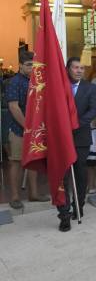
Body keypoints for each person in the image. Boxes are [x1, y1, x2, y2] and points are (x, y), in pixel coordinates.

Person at [57, 57, 96, 232]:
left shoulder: (91, 88)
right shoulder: (58, 87)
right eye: (76, 67)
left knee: (81, 174)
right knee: (63, 177)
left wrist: (76, 123)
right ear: (68, 69)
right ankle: (64, 215)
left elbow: (93, 110)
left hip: (80, 137)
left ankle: (78, 206)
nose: (79, 71)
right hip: (61, 138)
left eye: (82, 68)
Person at [5, 52, 46, 209]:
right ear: (20, 65)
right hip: (18, 129)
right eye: (28, 65)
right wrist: (28, 127)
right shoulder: (14, 82)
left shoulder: (36, 82)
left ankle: (33, 194)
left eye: (33, 65)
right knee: (16, 162)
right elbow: (13, 107)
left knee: (34, 161)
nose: (31, 68)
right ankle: (15, 197)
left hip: (35, 129)